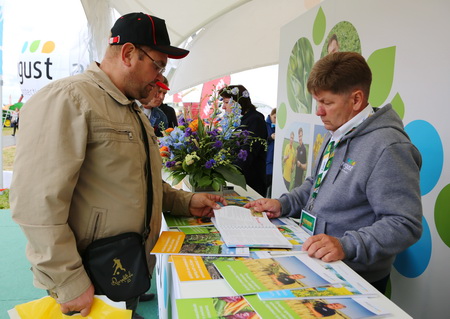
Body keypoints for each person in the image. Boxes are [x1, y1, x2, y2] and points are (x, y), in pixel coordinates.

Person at [10, 12, 226, 319]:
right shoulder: (68, 98)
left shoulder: (130, 109)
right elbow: (35, 203)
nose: (160, 77)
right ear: (128, 53)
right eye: (158, 65)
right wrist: (69, 280)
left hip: (125, 267)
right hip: (90, 276)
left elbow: (142, 183)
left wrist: (187, 201)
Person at [245, 52, 422, 294]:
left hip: (354, 276)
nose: (319, 112)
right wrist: (283, 204)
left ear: (356, 100)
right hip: (316, 260)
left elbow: (404, 224)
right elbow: (315, 184)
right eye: (317, 103)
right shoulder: (338, 131)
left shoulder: (388, 147)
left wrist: (346, 245)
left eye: (327, 103)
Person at [219, 85, 267, 196]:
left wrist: (226, 173)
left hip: (249, 185)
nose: (223, 107)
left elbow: (247, 154)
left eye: (226, 102)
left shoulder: (255, 120)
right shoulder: (236, 120)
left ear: (237, 102)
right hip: (236, 181)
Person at [265, 108, 276, 197]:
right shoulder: (265, 125)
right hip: (267, 158)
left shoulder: (278, 126)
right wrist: (270, 137)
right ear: (270, 115)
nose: (276, 120)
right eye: (274, 117)